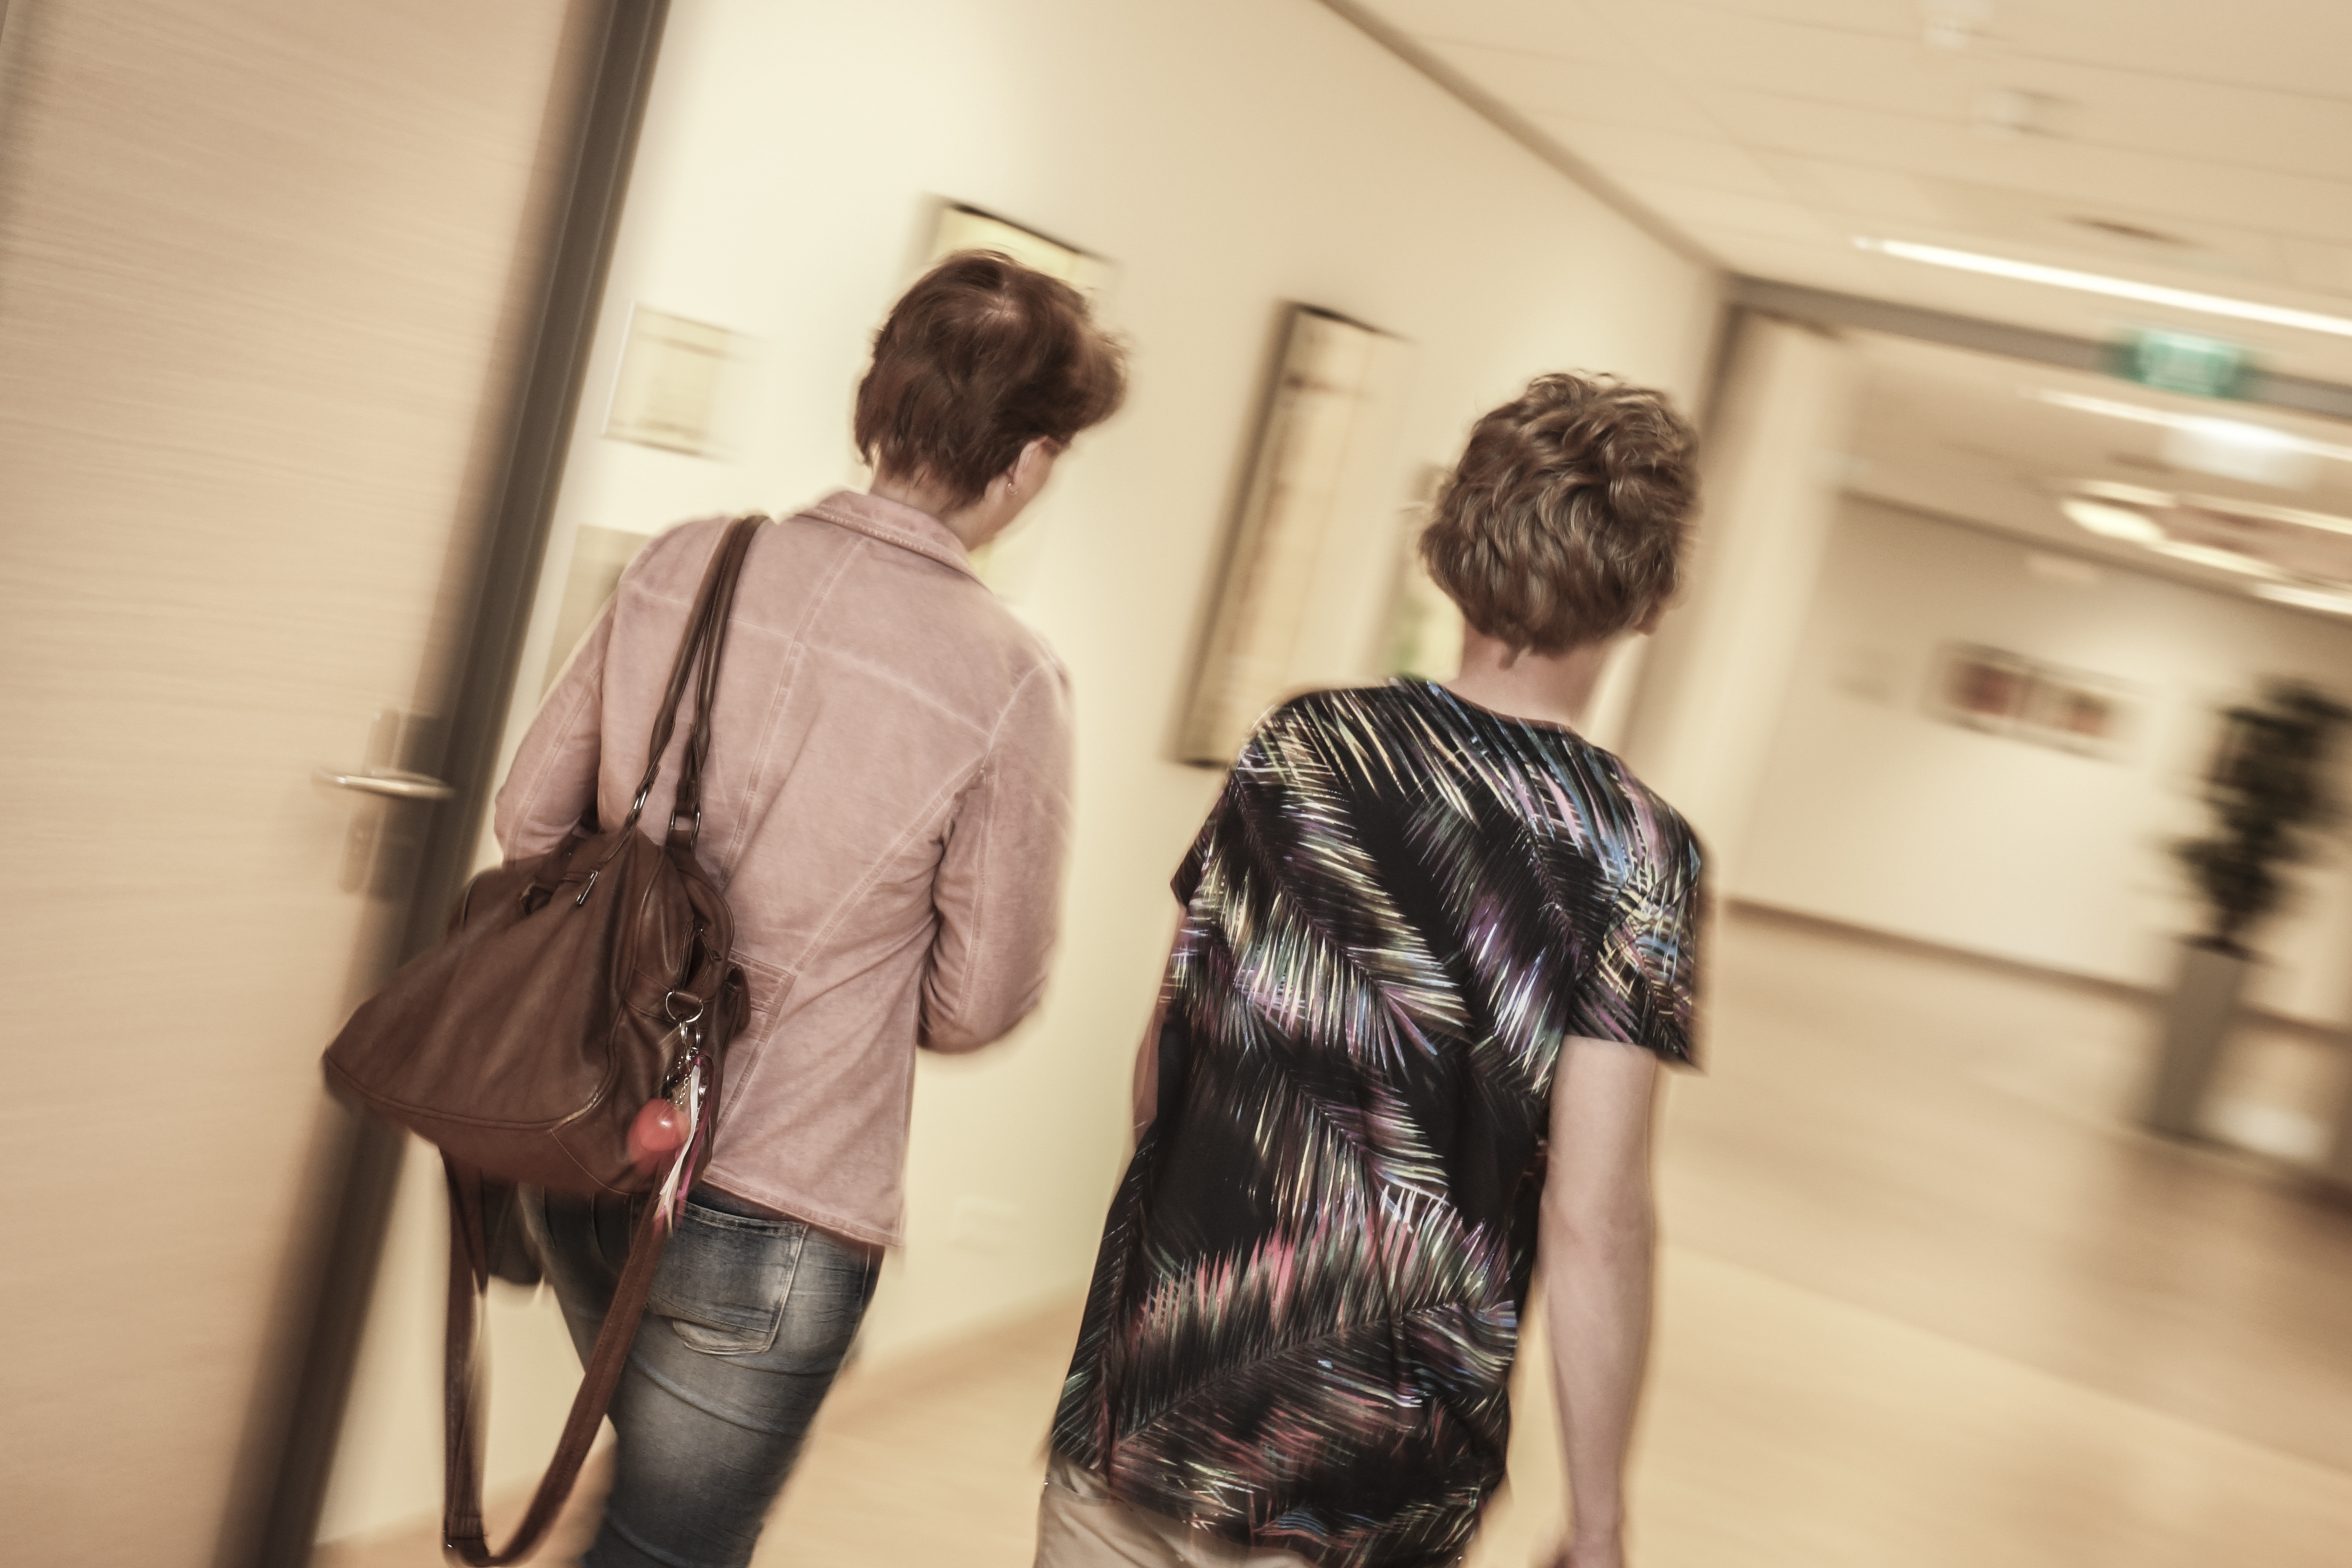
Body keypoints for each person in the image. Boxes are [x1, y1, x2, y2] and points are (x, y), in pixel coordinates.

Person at [498, 250, 1125, 1568]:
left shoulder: (688, 562)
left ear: (875, 399)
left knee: (642, 1514)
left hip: (588, 1140)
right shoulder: (1009, 679)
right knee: (666, 1545)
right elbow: (977, 1003)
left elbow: (530, 819)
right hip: (778, 1208)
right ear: (1028, 463)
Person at [1038, 373, 1705, 1568]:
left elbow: (1162, 1066)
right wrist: (1599, 1518)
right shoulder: (1630, 852)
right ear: (1646, 595)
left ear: (1450, 545)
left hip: (1151, 1401)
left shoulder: (1301, 747)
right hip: (1376, 1470)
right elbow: (1594, 1213)